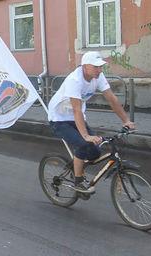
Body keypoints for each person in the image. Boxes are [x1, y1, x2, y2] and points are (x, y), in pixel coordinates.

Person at [47, 51, 135, 194]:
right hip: (59, 119)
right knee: (83, 144)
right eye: (96, 67)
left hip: (77, 118)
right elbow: (76, 110)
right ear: (85, 66)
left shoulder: (98, 77)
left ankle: (78, 164)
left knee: (95, 152)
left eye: (100, 67)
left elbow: (111, 98)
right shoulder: (74, 80)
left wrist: (126, 120)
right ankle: (78, 180)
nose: (99, 70)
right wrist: (86, 136)